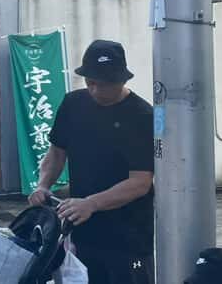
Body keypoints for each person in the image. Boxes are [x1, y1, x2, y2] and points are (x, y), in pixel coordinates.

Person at [29, 40, 154, 284]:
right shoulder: (72, 104)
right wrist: (43, 185)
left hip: (129, 237)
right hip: (83, 232)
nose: (95, 90)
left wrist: (91, 204)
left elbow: (140, 182)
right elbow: (56, 153)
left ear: (122, 80)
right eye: (90, 83)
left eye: (103, 85)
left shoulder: (142, 116)